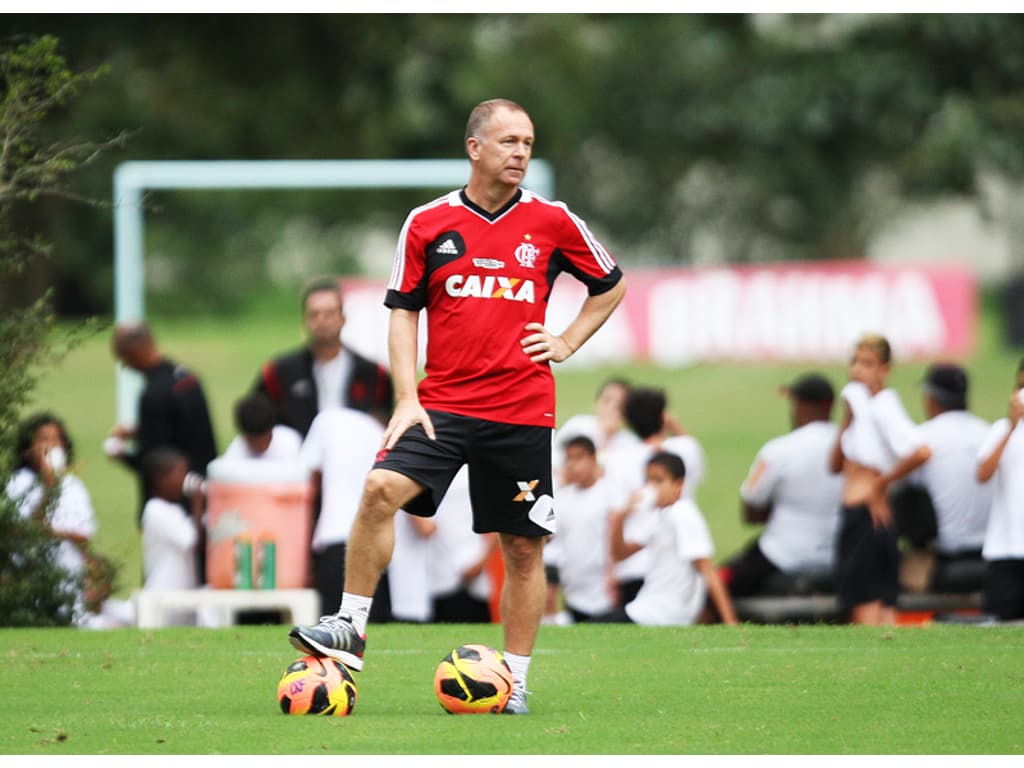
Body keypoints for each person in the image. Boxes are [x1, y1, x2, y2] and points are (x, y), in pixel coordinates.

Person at [288, 98, 626, 715]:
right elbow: (402, 313)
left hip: (521, 411)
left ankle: (514, 683)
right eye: (509, 141)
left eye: (528, 143)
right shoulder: (426, 223)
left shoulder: (553, 221)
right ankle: (350, 625)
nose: (521, 153)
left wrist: (567, 341)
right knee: (378, 490)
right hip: (440, 406)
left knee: (522, 549)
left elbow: (611, 283)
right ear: (475, 148)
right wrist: (405, 397)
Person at [829, 333, 932, 626]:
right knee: (879, 604)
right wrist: (847, 420)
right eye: (854, 361)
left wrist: (880, 484)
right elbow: (835, 465)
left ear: (884, 370)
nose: (856, 370)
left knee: (865, 606)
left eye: (867, 363)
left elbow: (921, 452)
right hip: (860, 515)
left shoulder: (883, 406)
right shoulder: (859, 405)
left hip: (866, 517)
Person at [721, 373, 843, 597]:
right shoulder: (852, 446)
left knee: (715, 584)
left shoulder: (779, 450)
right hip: (840, 554)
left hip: (782, 554)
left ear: (802, 405)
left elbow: (751, 512)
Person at [603, 386, 707, 608]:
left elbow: (614, 516)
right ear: (663, 417)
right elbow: (687, 442)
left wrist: (610, 571)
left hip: (633, 567)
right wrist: (671, 423)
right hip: (679, 567)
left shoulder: (618, 460)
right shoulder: (686, 449)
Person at [607, 451, 737, 626]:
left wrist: (730, 622)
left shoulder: (683, 512)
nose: (651, 487)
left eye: (658, 480)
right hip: (646, 608)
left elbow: (707, 569)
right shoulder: (658, 515)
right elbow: (620, 555)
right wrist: (620, 519)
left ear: (679, 484)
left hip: (662, 614)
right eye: (648, 480)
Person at [253, 276, 394, 437]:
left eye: (329, 313)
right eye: (314, 314)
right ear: (304, 320)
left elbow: (385, 421)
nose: (322, 321)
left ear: (343, 318)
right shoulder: (278, 372)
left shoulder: (374, 374)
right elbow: (256, 419)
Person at [894, 363, 992, 592]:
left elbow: (899, 492)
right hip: (991, 555)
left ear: (931, 398)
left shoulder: (921, 438)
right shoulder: (989, 433)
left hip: (941, 558)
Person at [107, 321, 217, 523]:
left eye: (123, 357)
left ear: (135, 351)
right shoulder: (187, 378)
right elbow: (186, 429)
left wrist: (120, 454)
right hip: (204, 492)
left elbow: (153, 463)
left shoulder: (153, 395)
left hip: (173, 505)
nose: (124, 365)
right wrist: (141, 431)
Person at [5, 412, 99, 625]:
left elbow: (83, 536)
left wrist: (92, 574)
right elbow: (24, 530)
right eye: (43, 440)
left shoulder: (73, 485)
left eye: (56, 440)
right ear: (28, 449)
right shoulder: (17, 483)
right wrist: (48, 489)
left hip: (69, 575)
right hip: (30, 575)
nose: (51, 446)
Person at [975, 357, 1024, 621]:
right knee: (1002, 624)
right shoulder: (1001, 429)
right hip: (1005, 548)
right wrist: (1011, 427)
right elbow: (983, 473)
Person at [549, 435, 617, 622]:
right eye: (569, 459)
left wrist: (614, 575)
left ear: (593, 458)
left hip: (604, 590)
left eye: (579, 457)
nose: (573, 465)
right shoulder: (563, 497)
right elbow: (551, 538)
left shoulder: (608, 494)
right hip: (573, 589)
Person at [139, 447, 205, 626]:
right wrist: (197, 503)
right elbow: (191, 540)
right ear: (161, 479)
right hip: (163, 594)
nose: (186, 478)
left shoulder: (174, 510)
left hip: (182, 595)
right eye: (181, 472)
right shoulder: (155, 510)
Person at [427, 465, 498, 624]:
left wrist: (481, 561)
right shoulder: (431, 467)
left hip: (475, 570)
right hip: (439, 574)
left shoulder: (481, 468)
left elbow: (499, 520)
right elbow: (426, 527)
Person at [552, 377, 639, 478]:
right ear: (596, 402)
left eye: (620, 404)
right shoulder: (577, 426)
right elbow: (555, 459)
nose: (612, 407)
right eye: (607, 400)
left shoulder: (631, 443)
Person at [221, 392, 302, 461]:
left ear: (271, 430)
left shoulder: (290, 441)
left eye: (266, 439)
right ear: (245, 437)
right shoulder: (235, 453)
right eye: (255, 442)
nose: (262, 445)